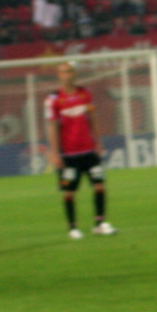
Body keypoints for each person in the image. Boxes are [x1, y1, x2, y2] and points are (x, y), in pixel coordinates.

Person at [43, 61, 116, 240]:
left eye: (70, 71)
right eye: (63, 72)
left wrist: (98, 142)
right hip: (69, 154)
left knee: (99, 186)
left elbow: (92, 118)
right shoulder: (53, 100)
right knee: (69, 192)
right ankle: (73, 228)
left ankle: (100, 224)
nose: (67, 75)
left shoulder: (85, 94)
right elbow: (51, 126)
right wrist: (54, 152)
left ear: (75, 74)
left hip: (89, 151)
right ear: (59, 75)